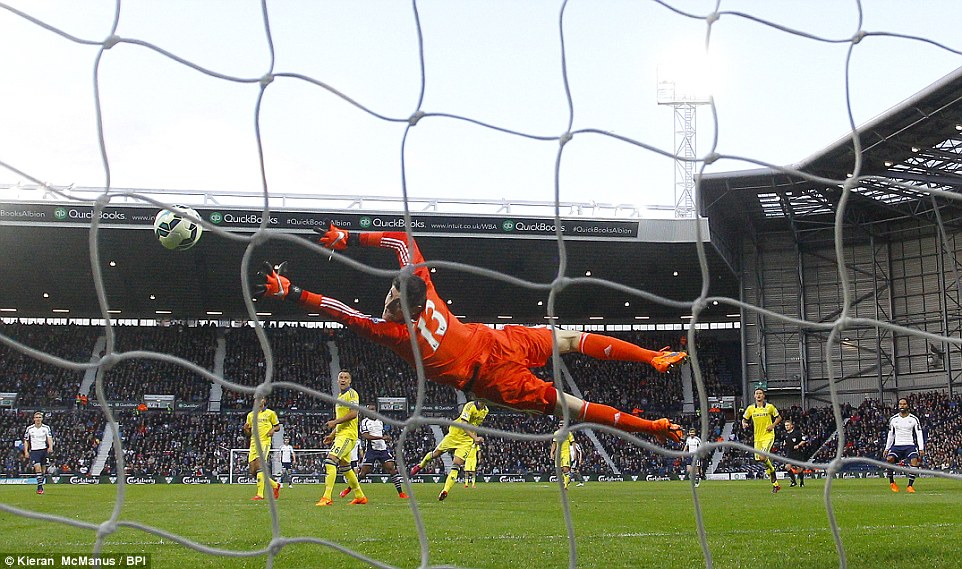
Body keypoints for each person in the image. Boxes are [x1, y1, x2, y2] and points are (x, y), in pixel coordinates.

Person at [254, 226, 687, 443]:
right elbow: (402, 240)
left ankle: (649, 405)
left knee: (569, 404)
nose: (387, 300)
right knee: (570, 344)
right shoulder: (424, 288)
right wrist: (349, 237)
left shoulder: (393, 333)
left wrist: (292, 292)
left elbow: (341, 311)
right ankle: (649, 380)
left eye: (393, 301)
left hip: (489, 379)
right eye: (391, 292)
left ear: (408, 311)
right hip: (491, 341)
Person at [410, 400, 488, 501]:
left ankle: (445, 490)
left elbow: (474, 425)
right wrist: (475, 438)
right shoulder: (470, 406)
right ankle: (420, 465)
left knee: (456, 464)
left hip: (466, 441)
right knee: (435, 454)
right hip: (454, 434)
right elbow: (464, 424)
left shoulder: (485, 411)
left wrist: (475, 438)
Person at [338, 403, 409, 499]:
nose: (372, 411)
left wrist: (385, 438)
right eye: (370, 410)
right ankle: (348, 490)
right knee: (363, 473)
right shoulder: (364, 422)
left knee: (392, 469)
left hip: (382, 449)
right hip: (371, 450)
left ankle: (401, 493)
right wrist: (381, 438)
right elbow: (365, 436)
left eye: (373, 409)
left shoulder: (380, 421)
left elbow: (381, 433)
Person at [317, 370, 366, 506]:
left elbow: (353, 414)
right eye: (341, 378)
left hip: (348, 435)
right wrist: (332, 435)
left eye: (346, 378)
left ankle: (327, 497)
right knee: (345, 468)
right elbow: (342, 419)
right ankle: (360, 496)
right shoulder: (340, 397)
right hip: (340, 435)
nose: (343, 380)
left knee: (330, 461)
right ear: (337, 381)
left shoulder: (352, 394)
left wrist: (335, 422)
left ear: (350, 381)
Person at [742, 388, 782, 493]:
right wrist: (744, 423)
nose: (759, 395)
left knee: (762, 457)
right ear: (754, 396)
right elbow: (744, 419)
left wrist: (772, 425)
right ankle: (775, 483)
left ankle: (773, 475)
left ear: (764, 396)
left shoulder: (769, 407)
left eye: (760, 393)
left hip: (768, 436)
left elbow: (779, 418)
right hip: (757, 438)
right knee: (761, 460)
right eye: (757, 394)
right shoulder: (751, 408)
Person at [884, 397, 925, 493]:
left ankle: (910, 486)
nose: (902, 406)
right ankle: (892, 483)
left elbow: (919, 434)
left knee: (914, 461)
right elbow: (891, 435)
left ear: (908, 405)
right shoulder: (893, 419)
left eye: (904, 404)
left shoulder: (914, 419)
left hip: (909, 445)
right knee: (889, 459)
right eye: (900, 404)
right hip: (897, 445)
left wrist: (921, 448)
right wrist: (887, 448)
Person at [244, 397, 281, 501]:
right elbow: (248, 433)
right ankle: (275, 485)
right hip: (253, 444)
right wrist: (246, 429)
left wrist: (273, 430)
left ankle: (260, 494)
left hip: (264, 442)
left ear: (264, 401)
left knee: (260, 466)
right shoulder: (251, 415)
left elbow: (278, 426)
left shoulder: (270, 413)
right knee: (253, 471)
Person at [23, 411, 53, 495]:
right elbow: (26, 440)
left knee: (43, 470)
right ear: (34, 419)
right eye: (36, 417)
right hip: (34, 451)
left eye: (39, 417)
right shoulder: (30, 429)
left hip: (44, 450)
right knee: (37, 468)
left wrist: (50, 447)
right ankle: (40, 487)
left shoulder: (46, 428)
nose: (38, 419)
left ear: (42, 419)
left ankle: (40, 484)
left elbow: (49, 438)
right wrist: (26, 451)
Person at [781, 419, 809, 488]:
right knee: (787, 467)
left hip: (797, 452)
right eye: (785, 426)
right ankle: (793, 481)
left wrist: (798, 445)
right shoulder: (785, 434)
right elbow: (785, 441)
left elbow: (804, 440)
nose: (786, 427)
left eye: (788, 425)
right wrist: (784, 444)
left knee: (799, 469)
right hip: (789, 452)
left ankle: (801, 482)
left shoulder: (797, 433)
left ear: (791, 426)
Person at [550, 421, 575, 489]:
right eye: (560, 425)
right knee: (559, 470)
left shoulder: (568, 433)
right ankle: (567, 480)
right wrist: (551, 452)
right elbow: (554, 444)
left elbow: (573, 443)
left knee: (565, 469)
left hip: (566, 452)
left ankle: (566, 485)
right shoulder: (556, 433)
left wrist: (574, 453)